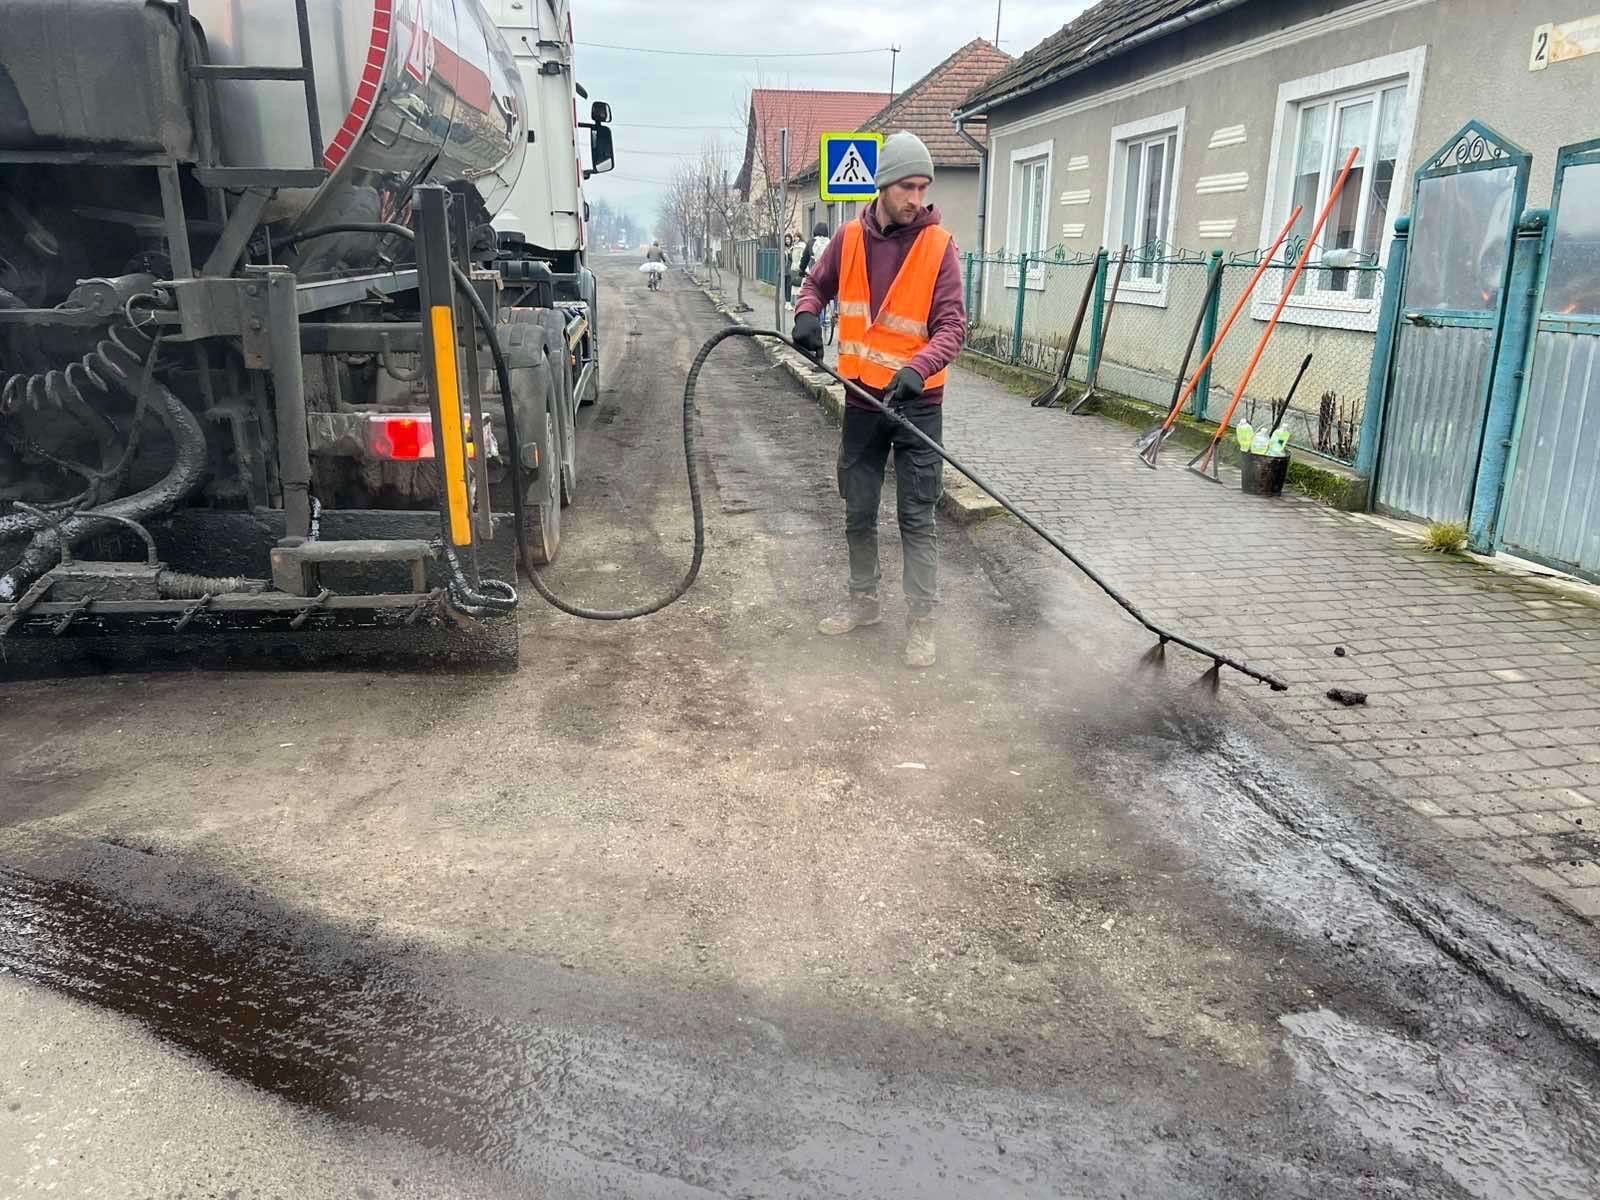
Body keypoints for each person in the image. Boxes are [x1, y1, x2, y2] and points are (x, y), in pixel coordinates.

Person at [792, 131, 965, 669]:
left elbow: (953, 326)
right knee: (859, 509)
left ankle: (922, 625)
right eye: (907, 186)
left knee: (917, 515)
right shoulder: (848, 239)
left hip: (916, 405)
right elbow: (814, 286)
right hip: (862, 401)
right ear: (883, 186)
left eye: (923, 187)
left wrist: (918, 368)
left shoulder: (940, 247)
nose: (917, 198)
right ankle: (863, 602)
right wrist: (804, 315)